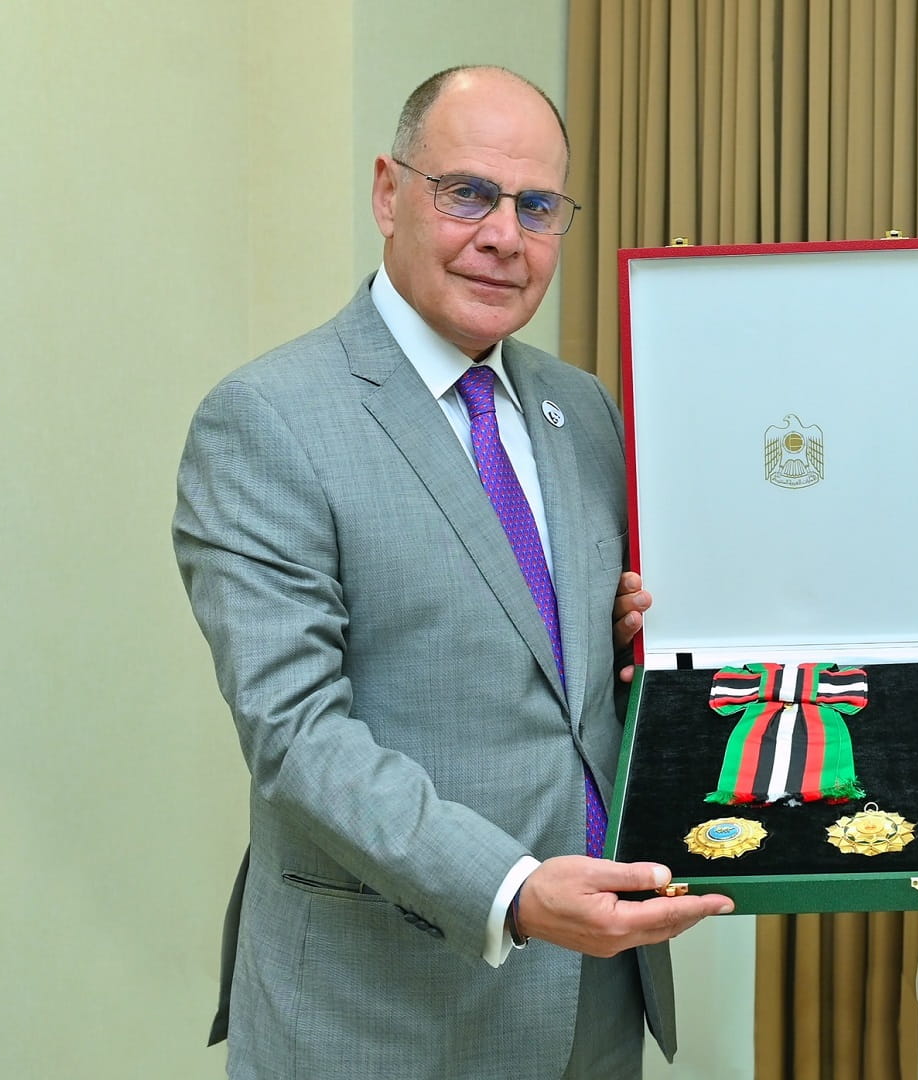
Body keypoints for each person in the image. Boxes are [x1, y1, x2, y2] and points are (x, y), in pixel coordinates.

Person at [173, 66, 727, 1080]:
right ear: (389, 193)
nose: (504, 235)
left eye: (537, 206)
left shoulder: (584, 411)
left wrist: (628, 650)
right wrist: (512, 890)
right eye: (467, 193)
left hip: (593, 1004)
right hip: (382, 1014)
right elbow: (296, 736)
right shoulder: (268, 421)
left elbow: (558, 679)